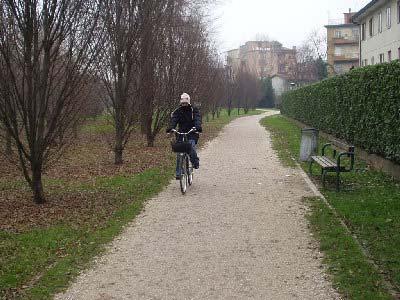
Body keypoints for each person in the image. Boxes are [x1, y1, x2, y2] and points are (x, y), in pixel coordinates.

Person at [166, 93, 202, 179]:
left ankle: (195, 162)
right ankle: (178, 173)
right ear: (180, 103)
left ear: (188, 102)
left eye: (185, 103)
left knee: (191, 147)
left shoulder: (194, 110)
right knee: (179, 153)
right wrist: (171, 128)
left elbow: (197, 119)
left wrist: (197, 127)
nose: (184, 105)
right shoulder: (178, 111)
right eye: (183, 103)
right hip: (181, 134)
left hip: (192, 133)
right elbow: (174, 120)